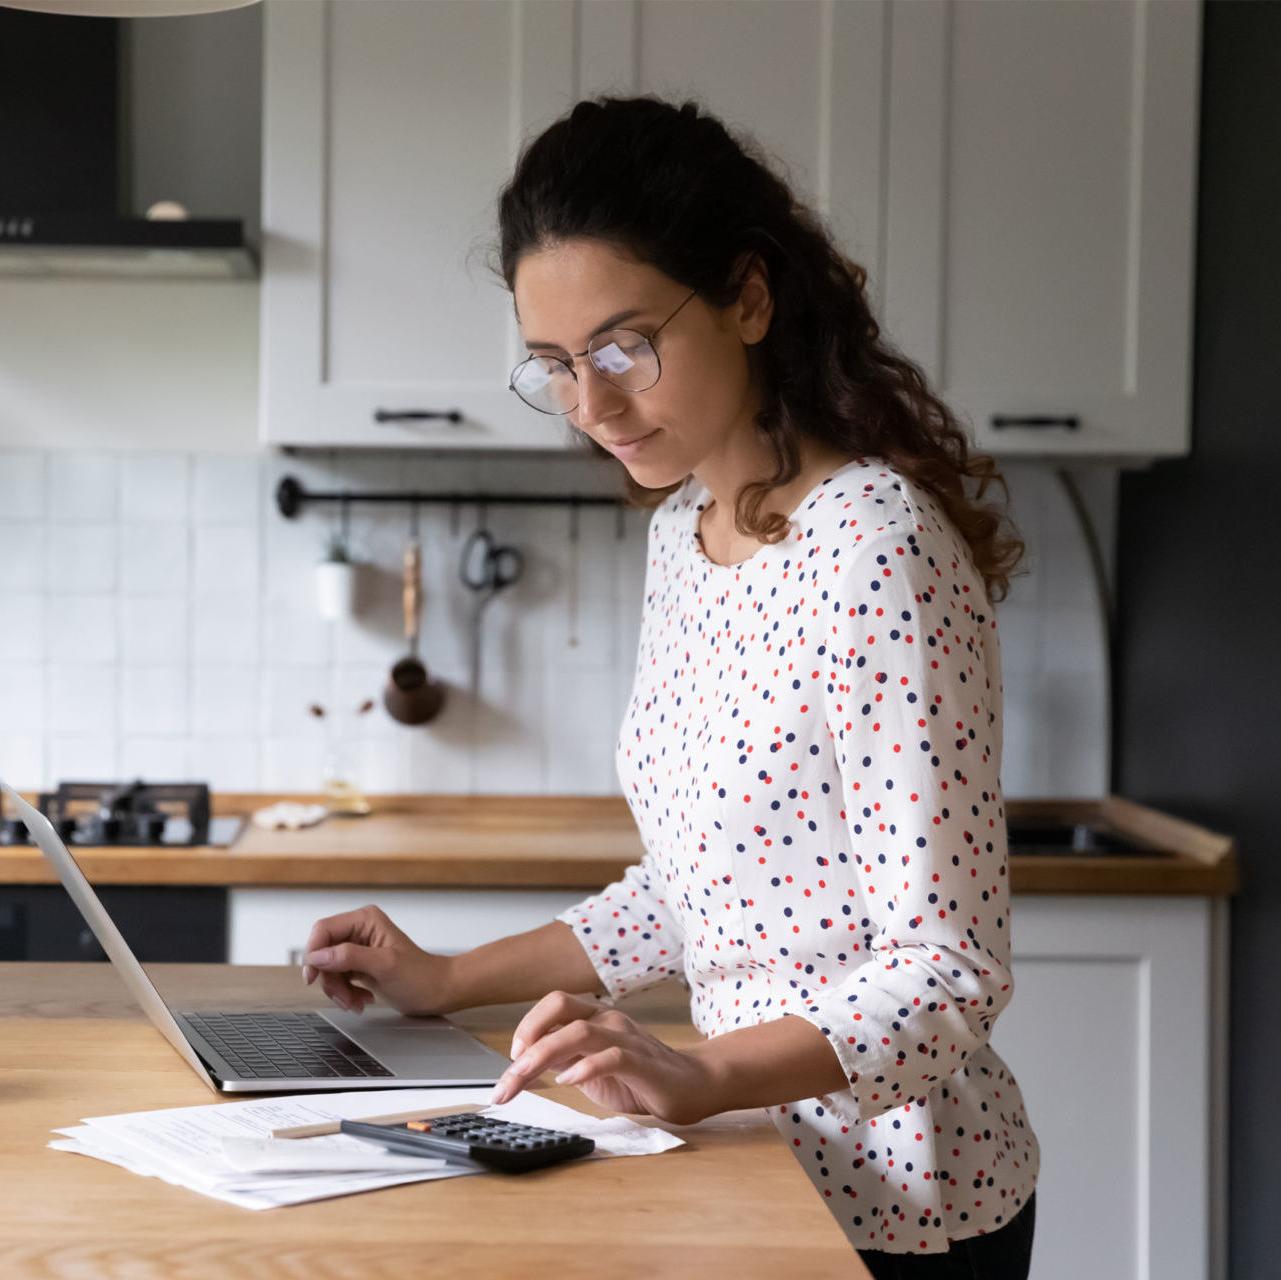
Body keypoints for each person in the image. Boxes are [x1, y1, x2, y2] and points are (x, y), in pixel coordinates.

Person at [301, 95, 1040, 1277]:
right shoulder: (687, 532)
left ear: (750, 297)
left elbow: (948, 971)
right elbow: (696, 891)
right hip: (744, 1161)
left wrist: (699, 1072)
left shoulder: (876, 546)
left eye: (622, 347)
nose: (591, 407)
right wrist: (443, 978)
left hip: (898, 1202)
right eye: (554, 365)